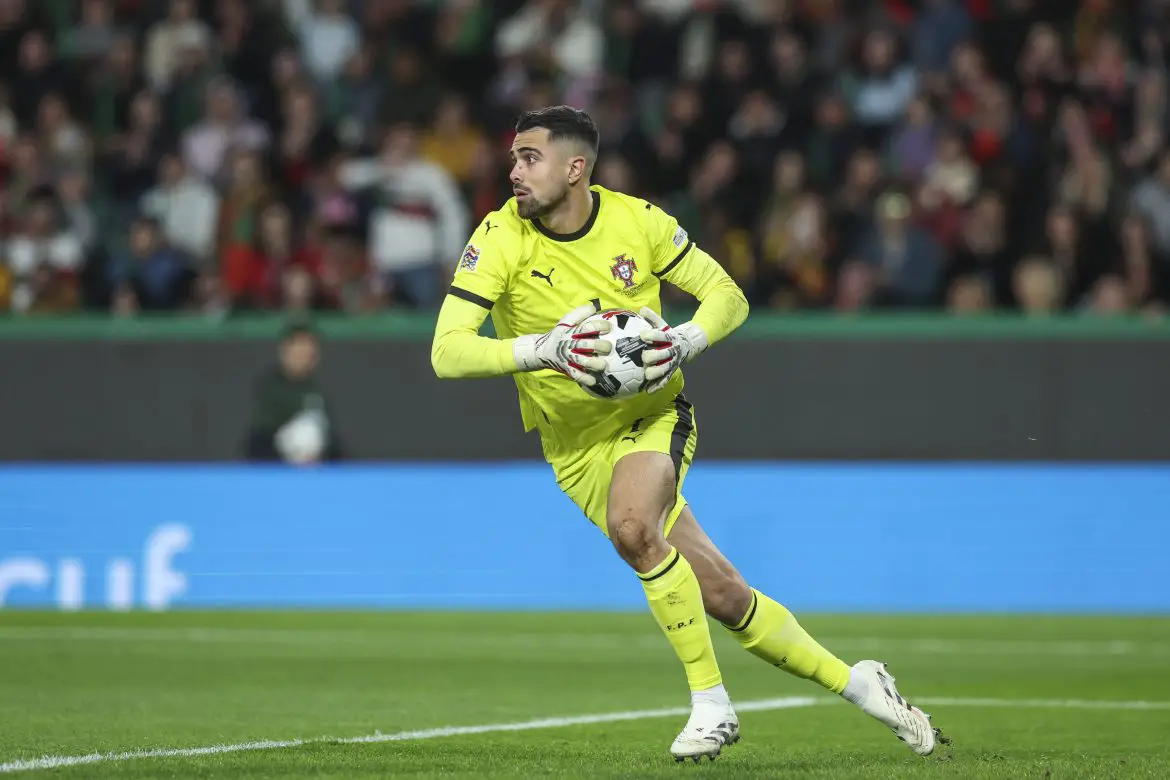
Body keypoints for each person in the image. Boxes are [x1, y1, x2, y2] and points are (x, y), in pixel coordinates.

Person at [430, 106, 945, 762]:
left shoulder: (637, 222)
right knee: (725, 594)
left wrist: (684, 342)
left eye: (530, 158)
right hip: (573, 448)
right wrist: (546, 349)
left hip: (652, 417)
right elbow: (447, 352)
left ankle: (711, 703)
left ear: (575, 167)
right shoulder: (500, 237)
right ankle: (861, 684)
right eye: (514, 158)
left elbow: (728, 296)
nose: (514, 172)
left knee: (633, 528)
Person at [244, 322, 342, 465]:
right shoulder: (270, 388)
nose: (303, 356)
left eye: (309, 352)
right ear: (285, 351)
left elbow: (330, 439)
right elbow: (259, 439)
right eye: (298, 350)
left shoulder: (317, 391)